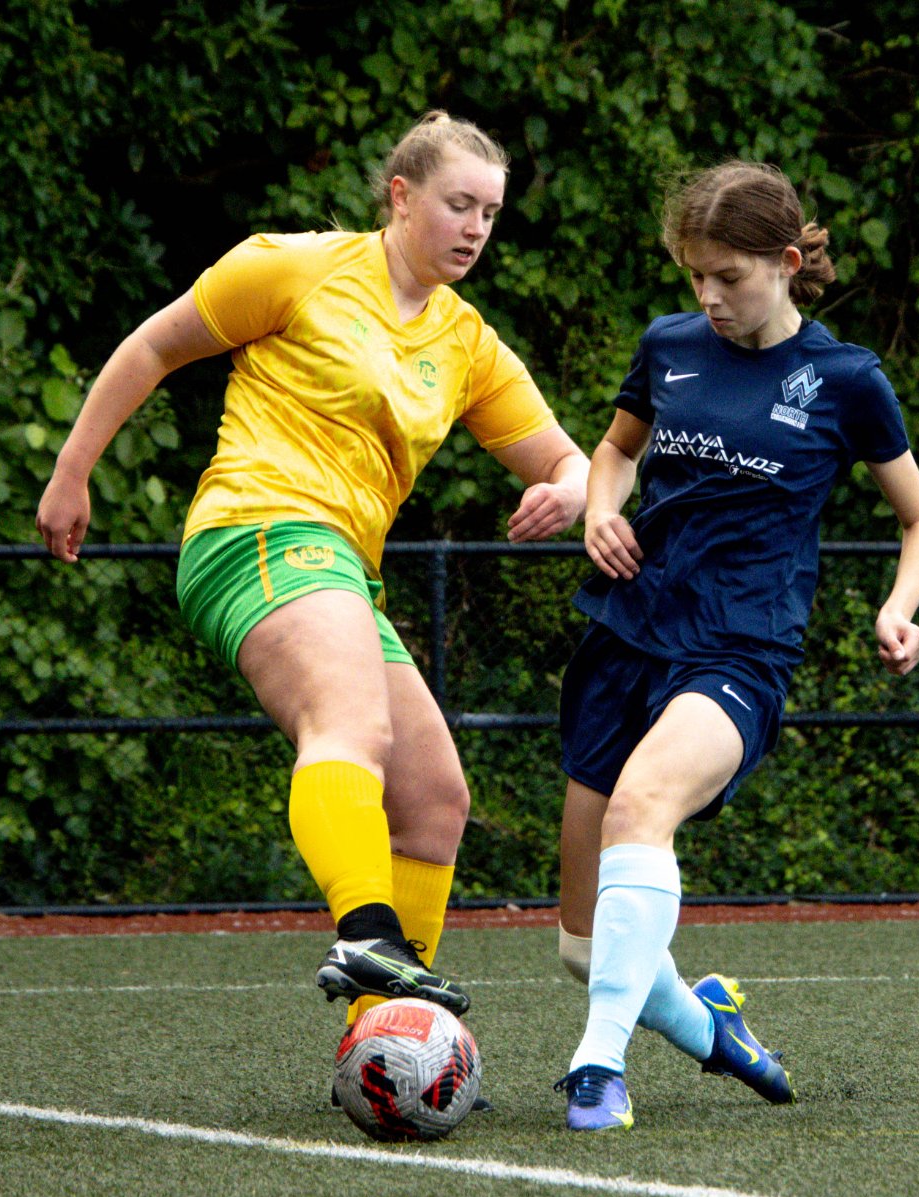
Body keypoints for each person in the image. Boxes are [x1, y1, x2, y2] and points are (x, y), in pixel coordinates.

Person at [37, 111, 587, 1030]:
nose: (475, 229)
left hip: (338, 572)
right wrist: (71, 471)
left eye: (490, 213)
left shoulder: (466, 343)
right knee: (350, 728)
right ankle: (367, 931)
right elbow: (156, 345)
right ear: (401, 197)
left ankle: (386, 1035)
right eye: (458, 205)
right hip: (257, 526)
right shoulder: (295, 266)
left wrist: (571, 490)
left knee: (434, 801)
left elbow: (571, 460)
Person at [552, 161, 919, 1131]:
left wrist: (897, 608)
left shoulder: (845, 380)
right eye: (693, 275)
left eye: (726, 275)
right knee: (579, 943)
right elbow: (612, 449)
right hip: (624, 629)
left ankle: (596, 1067)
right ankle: (712, 1030)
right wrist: (601, 507)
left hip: (739, 645)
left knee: (643, 809)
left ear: (780, 262)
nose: (707, 296)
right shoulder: (669, 345)